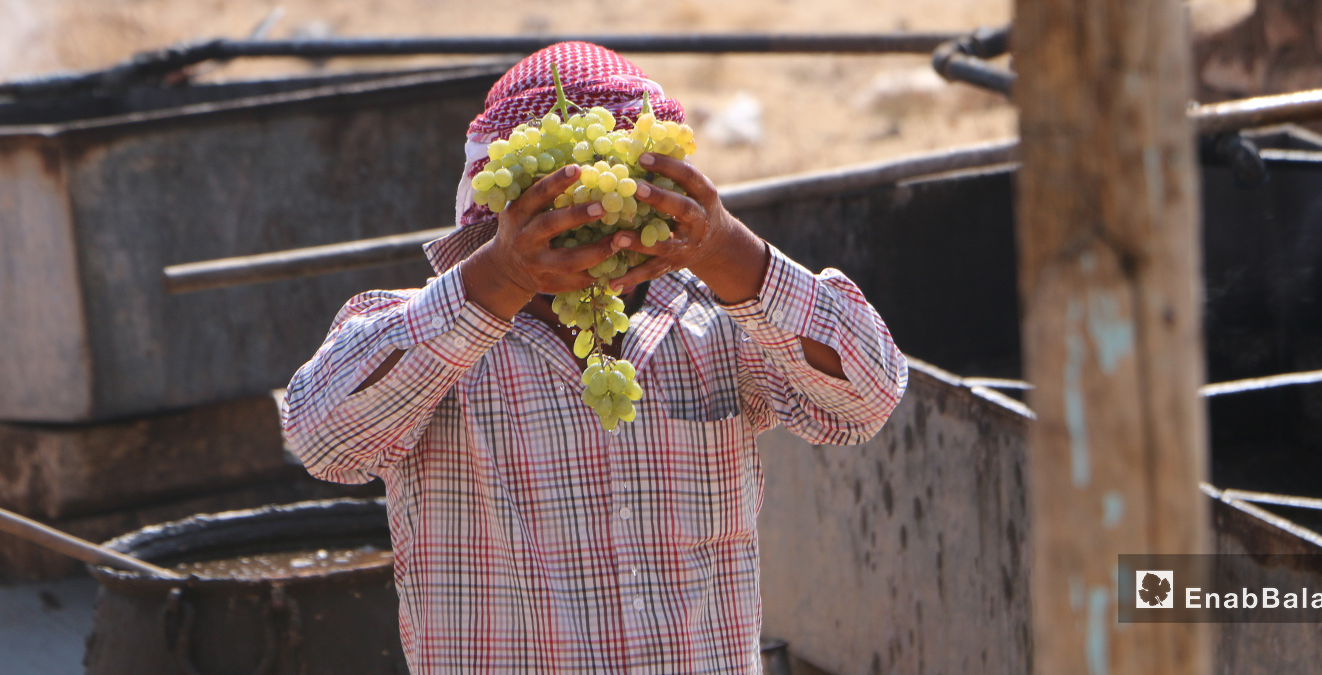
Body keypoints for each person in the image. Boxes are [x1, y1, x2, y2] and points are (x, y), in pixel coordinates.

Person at [282, 41, 907, 674]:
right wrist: (496, 278)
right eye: (564, 225)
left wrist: (728, 251)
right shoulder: (427, 338)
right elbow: (325, 442)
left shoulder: (719, 321)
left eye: (622, 217)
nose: (602, 250)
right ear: (500, 220)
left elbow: (866, 399)